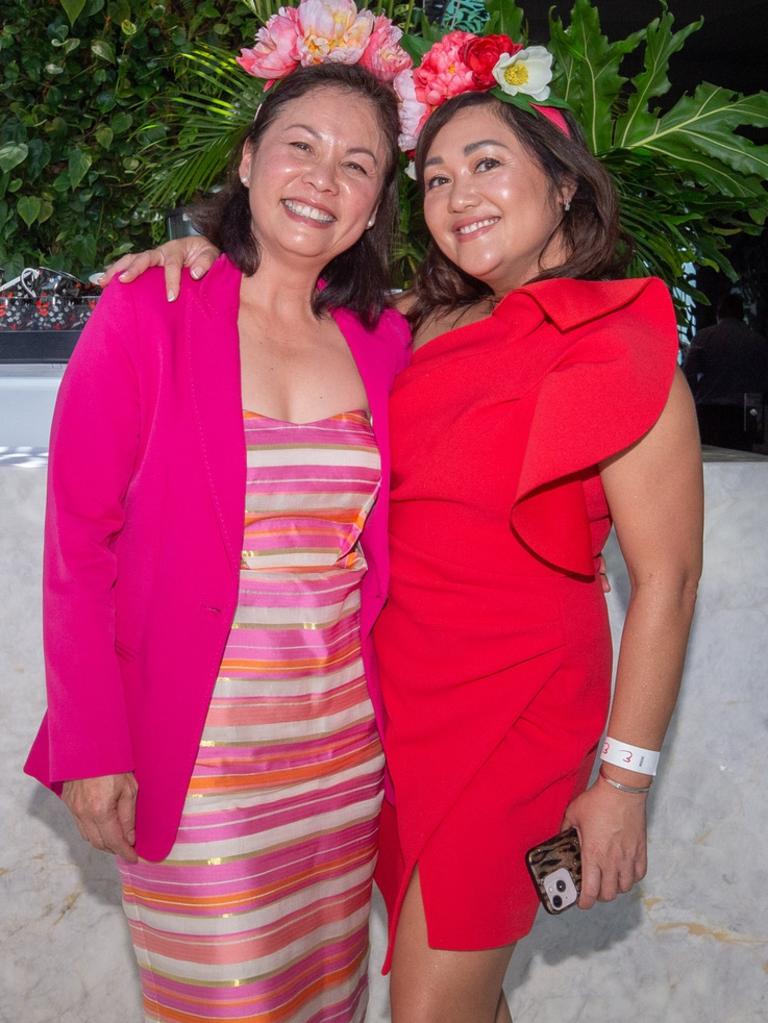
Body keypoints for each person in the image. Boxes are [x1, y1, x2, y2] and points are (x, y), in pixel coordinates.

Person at [102, 34, 703, 1023]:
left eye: (488, 165)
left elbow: (668, 584)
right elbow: (286, 293)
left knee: (430, 1005)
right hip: (394, 720)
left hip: (519, 715)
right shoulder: (419, 327)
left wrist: (624, 783)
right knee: (457, 993)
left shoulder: (622, 346)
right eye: (432, 178)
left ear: (564, 190)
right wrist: (206, 249)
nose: (457, 192)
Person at [24, 60, 412, 1023]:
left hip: (340, 757)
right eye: (301, 147)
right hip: (195, 758)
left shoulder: (387, 341)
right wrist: (91, 747)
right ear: (247, 161)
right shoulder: (147, 311)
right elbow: (79, 543)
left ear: (372, 208)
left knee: (330, 1001)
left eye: (357, 165)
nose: (324, 178)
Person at [683, 291, 768, 450]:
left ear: (718, 313)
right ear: (741, 314)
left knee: (711, 458)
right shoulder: (757, 341)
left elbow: (689, 374)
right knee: (745, 459)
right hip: (746, 411)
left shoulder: (704, 337)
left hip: (710, 410)